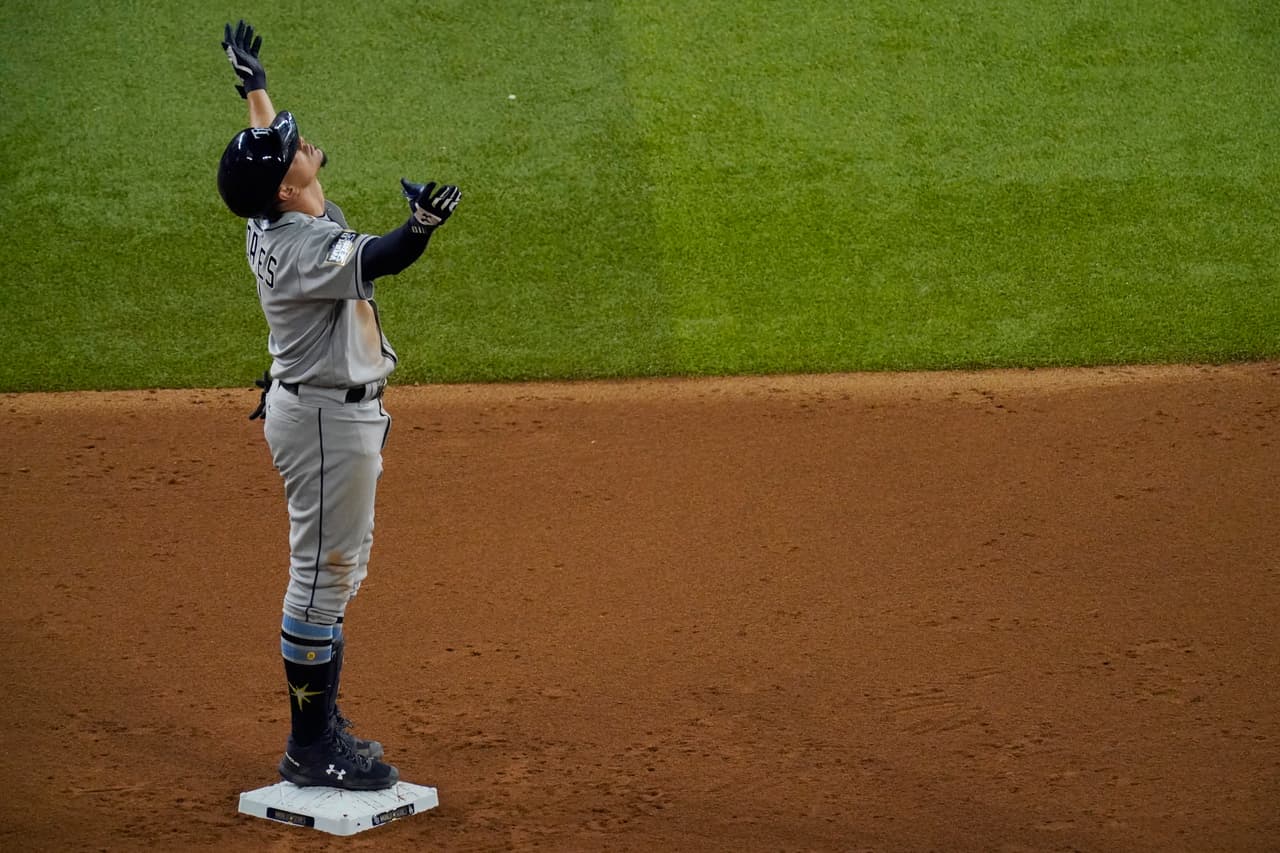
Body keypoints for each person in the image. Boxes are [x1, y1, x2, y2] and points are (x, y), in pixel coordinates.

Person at [216, 20, 461, 791]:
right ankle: (310, 745)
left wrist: (256, 88)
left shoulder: (276, 205)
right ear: (287, 191)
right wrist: (421, 225)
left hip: (323, 408)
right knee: (322, 578)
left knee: (335, 573)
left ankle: (320, 723)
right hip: (325, 421)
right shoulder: (303, 248)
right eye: (291, 147)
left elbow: (270, 158)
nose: (299, 139)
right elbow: (382, 255)